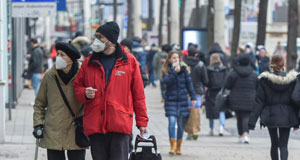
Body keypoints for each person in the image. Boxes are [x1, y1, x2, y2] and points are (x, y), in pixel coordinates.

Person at [73, 22, 148, 160]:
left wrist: (142, 122)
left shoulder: (129, 62)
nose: (95, 40)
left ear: (110, 40)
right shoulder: (88, 62)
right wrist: (84, 92)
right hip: (95, 126)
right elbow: (77, 88)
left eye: (99, 37)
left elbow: (138, 95)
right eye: (95, 36)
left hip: (119, 124)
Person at [33, 42, 86, 160]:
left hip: (76, 131)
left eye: (63, 55)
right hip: (53, 131)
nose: (58, 57)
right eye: (58, 54)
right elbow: (39, 104)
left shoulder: (83, 75)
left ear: (71, 59)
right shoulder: (49, 76)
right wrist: (38, 124)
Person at [249, 54, 299, 160]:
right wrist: (297, 121)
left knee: (274, 143)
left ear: (271, 64)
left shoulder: (265, 80)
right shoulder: (292, 80)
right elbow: (295, 99)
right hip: (287, 115)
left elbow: (259, 101)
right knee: (284, 145)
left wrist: (252, 121)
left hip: (270, 114)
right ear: (283, 64)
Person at [162, 50, 196, 155]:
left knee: (180, 125)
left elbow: (189, 84)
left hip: (182, 101)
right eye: (174, 58)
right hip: (171, 100)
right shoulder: (166, 70)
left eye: (177, 58)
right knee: (172, 122)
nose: (176, 60)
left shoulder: (184, 70)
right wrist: (174, 72)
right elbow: (165, 82)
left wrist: (193, 97)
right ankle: (172, 145)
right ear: (169, 59)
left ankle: (178, 145)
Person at [224, 54, 257, 143]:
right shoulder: (254, 74)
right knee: (246, 116)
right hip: (250, 98)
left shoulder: (233, 73)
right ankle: (246, 134)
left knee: (239, 116)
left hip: (235, 98)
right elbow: (258, 86)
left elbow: (227, 85)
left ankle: (241, 134)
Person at [184, 47, 208, 139]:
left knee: (187, 111)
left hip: (185, 91)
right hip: (197, 91)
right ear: (196, 54)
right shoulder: (201, 64)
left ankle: (188, 131)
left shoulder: (184, 64)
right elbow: (205, 80)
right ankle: (195, 131)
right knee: (196, 111)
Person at [205, 54, 227, 136]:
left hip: (211, 92)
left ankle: (211, 129)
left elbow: (206, 81)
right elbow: (226, 80)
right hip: (221, 92)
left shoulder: (208, 69)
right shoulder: (224, 69)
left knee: (211, 111)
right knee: (221, 110)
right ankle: (221, 127)